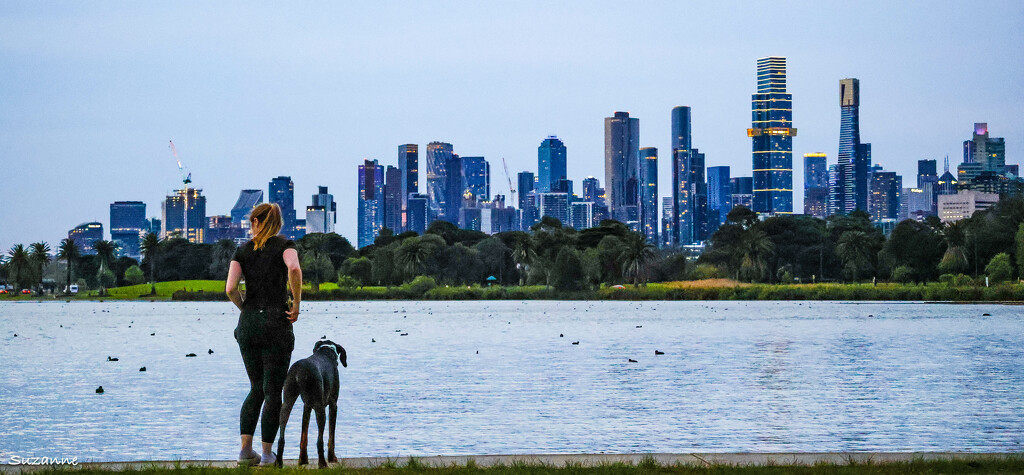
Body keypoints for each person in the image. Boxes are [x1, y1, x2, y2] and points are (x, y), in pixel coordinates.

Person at [225, 203, 302, 466]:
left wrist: (244, 308)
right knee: (273, 391)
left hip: (248, 325)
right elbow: (293, 269)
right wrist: (296, 303)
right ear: (277, 223)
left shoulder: (242, 250)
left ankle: (245, 452)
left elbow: (230, 288)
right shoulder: (285, 245)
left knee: (256, 388)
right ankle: (267, 454)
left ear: (256, 222)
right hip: (276, 324)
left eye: (251, 222)